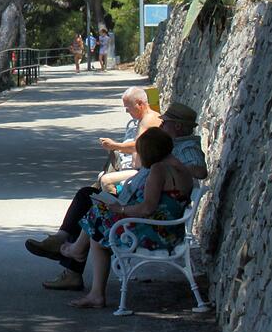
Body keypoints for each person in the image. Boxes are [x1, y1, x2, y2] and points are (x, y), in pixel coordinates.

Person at [24, 99, 205, 291]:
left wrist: (172, 164)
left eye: (165, 122)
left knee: (93, 208)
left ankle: (71, 262)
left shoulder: (186, 148)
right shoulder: (169, 146)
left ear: (177, 126)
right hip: (136, 198)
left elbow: (200, 171)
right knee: (87, 196)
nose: (161, 124)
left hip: (146, 214)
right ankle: (63, 246)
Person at [62, 128, 194, 308]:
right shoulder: (181, 167)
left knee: (98, 228)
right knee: (99, 215)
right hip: (169, 229)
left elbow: (147, 208)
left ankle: (93, 288)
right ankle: (79, 256)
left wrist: (121, 209)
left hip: (157, 233)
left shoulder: (159, 169)